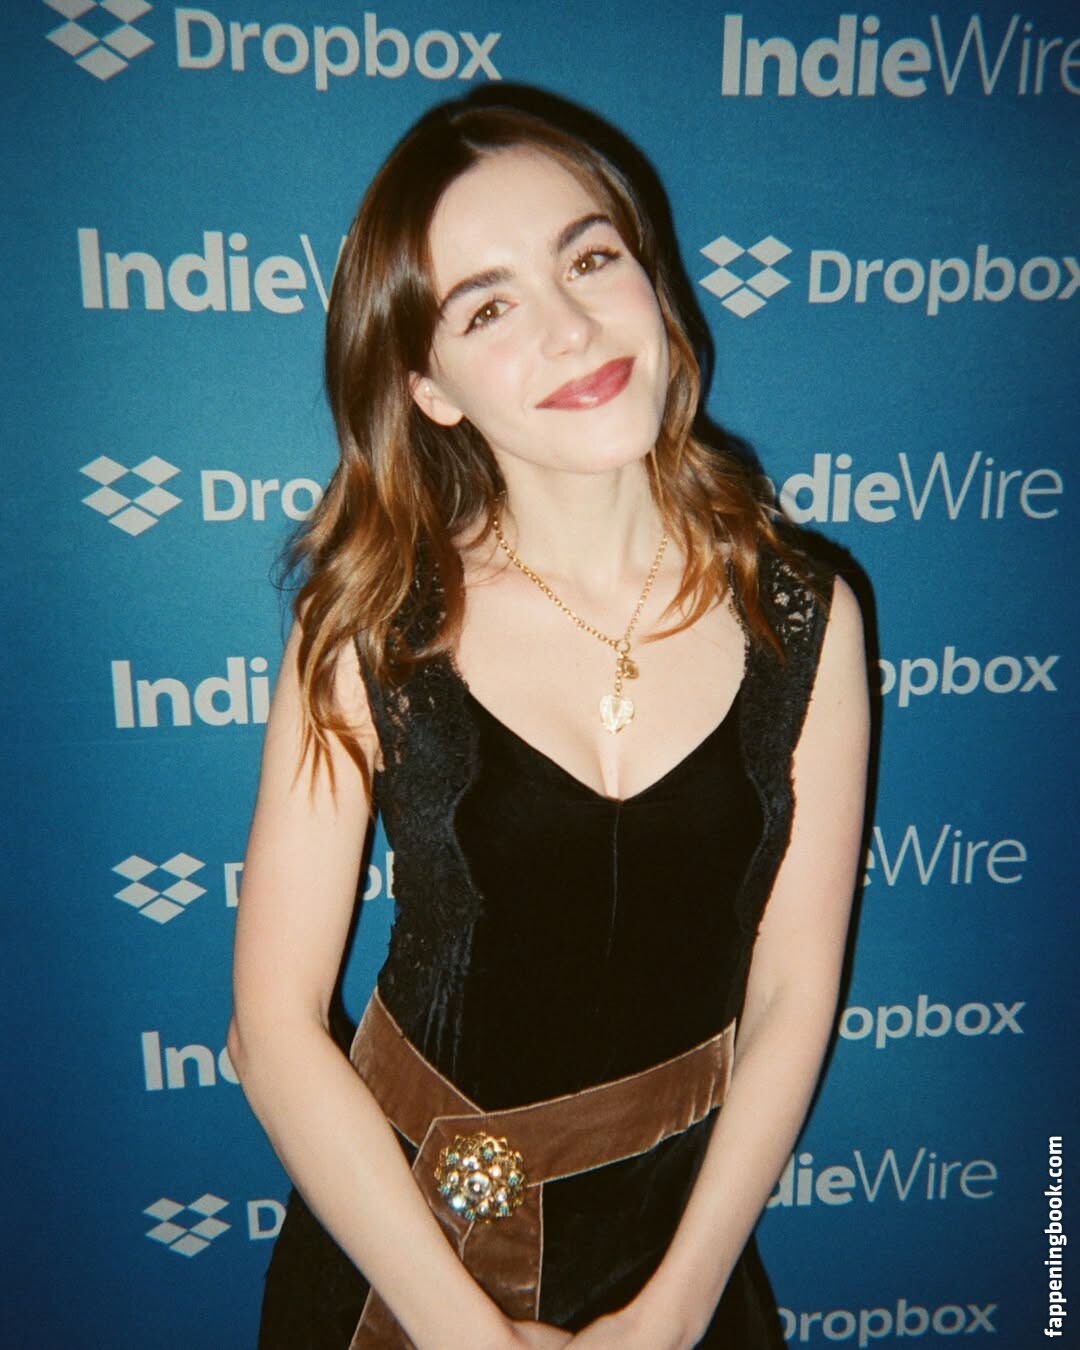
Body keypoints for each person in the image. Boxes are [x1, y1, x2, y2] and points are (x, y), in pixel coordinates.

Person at [228, 94, 869, 1350]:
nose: (571, 327)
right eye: (488, 308)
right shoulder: (370, 630)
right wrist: (463, 1333)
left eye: (589, 258)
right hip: (406, 1257)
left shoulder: (807, 615)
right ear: (430, 388)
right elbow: (272, 1034)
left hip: (676, 1254)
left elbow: (794, 990)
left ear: (652, 276)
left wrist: (678, 1308)